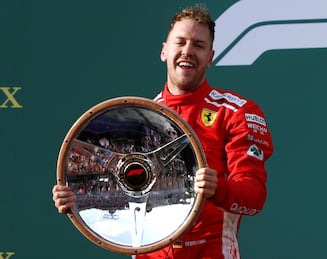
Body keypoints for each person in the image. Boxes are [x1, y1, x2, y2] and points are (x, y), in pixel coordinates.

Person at [52, 4, 274, 259]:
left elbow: (254, 198)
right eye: (180, 42)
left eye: (198, 46)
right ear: (164, 51)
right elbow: (114, 197)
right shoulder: (136, 119)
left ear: (210, 58)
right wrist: (77, 199)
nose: (188, 51)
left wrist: (218, 189)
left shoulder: (235, 111)